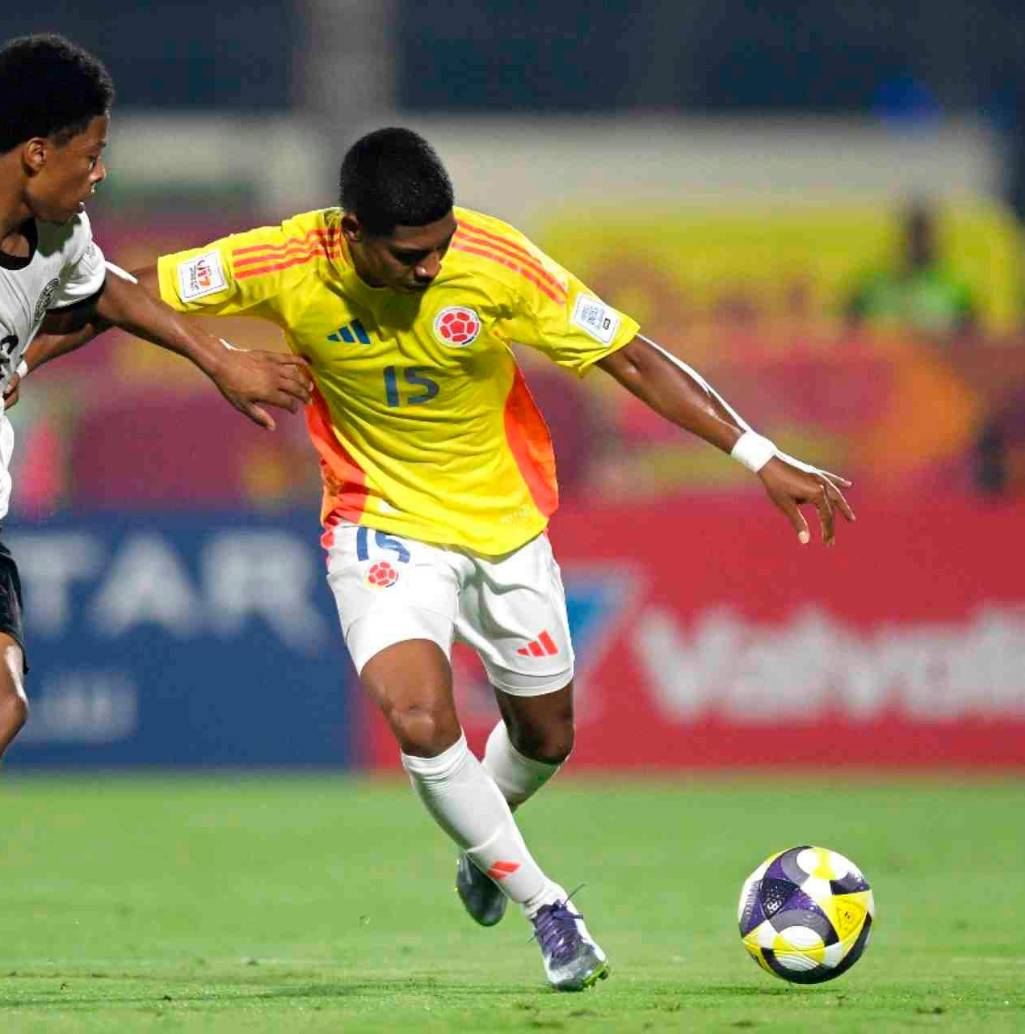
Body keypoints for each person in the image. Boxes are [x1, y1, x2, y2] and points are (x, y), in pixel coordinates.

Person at [30, 127, 854, 991]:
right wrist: (25, 355)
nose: (430, 266)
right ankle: (549, 909)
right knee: (422, 721)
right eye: (410, 253)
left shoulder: (496, 261)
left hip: (505, 532)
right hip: (378, 525)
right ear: (351, 232)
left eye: (440, 246)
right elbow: (112, 292)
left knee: (546, 736)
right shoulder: (281, 259)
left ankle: (482, 845)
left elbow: (632, 357)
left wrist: (761, 456)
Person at [0, 34, 312, 761]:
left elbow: (108, 291)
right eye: (90, 155)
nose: (100, 173)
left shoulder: (62, 235)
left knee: (6, 703)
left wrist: (219, 358)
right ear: (38, 152)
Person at [845, 200, 977, 335]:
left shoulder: (956, 291)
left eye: (924, 236)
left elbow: (974, 343)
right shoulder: (870, 287)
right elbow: (847, 334)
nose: (918, 243)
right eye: (912, 235)